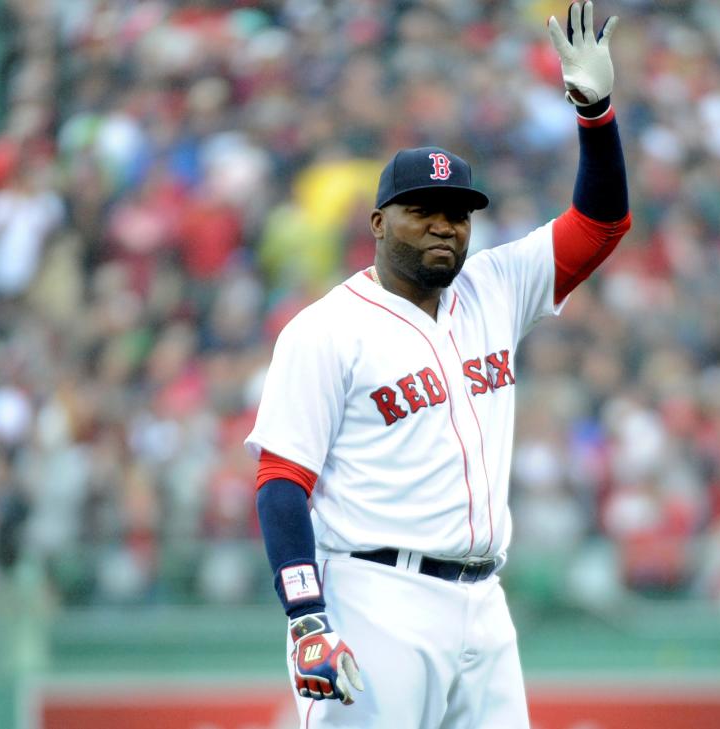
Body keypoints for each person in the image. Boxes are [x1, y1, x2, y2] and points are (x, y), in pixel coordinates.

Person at [246, 3, 630, 727]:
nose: (443, 225)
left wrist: (597, 114)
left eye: (456, 211)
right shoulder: (325, 330)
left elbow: (601, 224)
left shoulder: (494, 287)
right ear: (378, 222)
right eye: (422, 208)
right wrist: (306, 617)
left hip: (485, 601)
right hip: (375, 595)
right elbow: (280, 483)